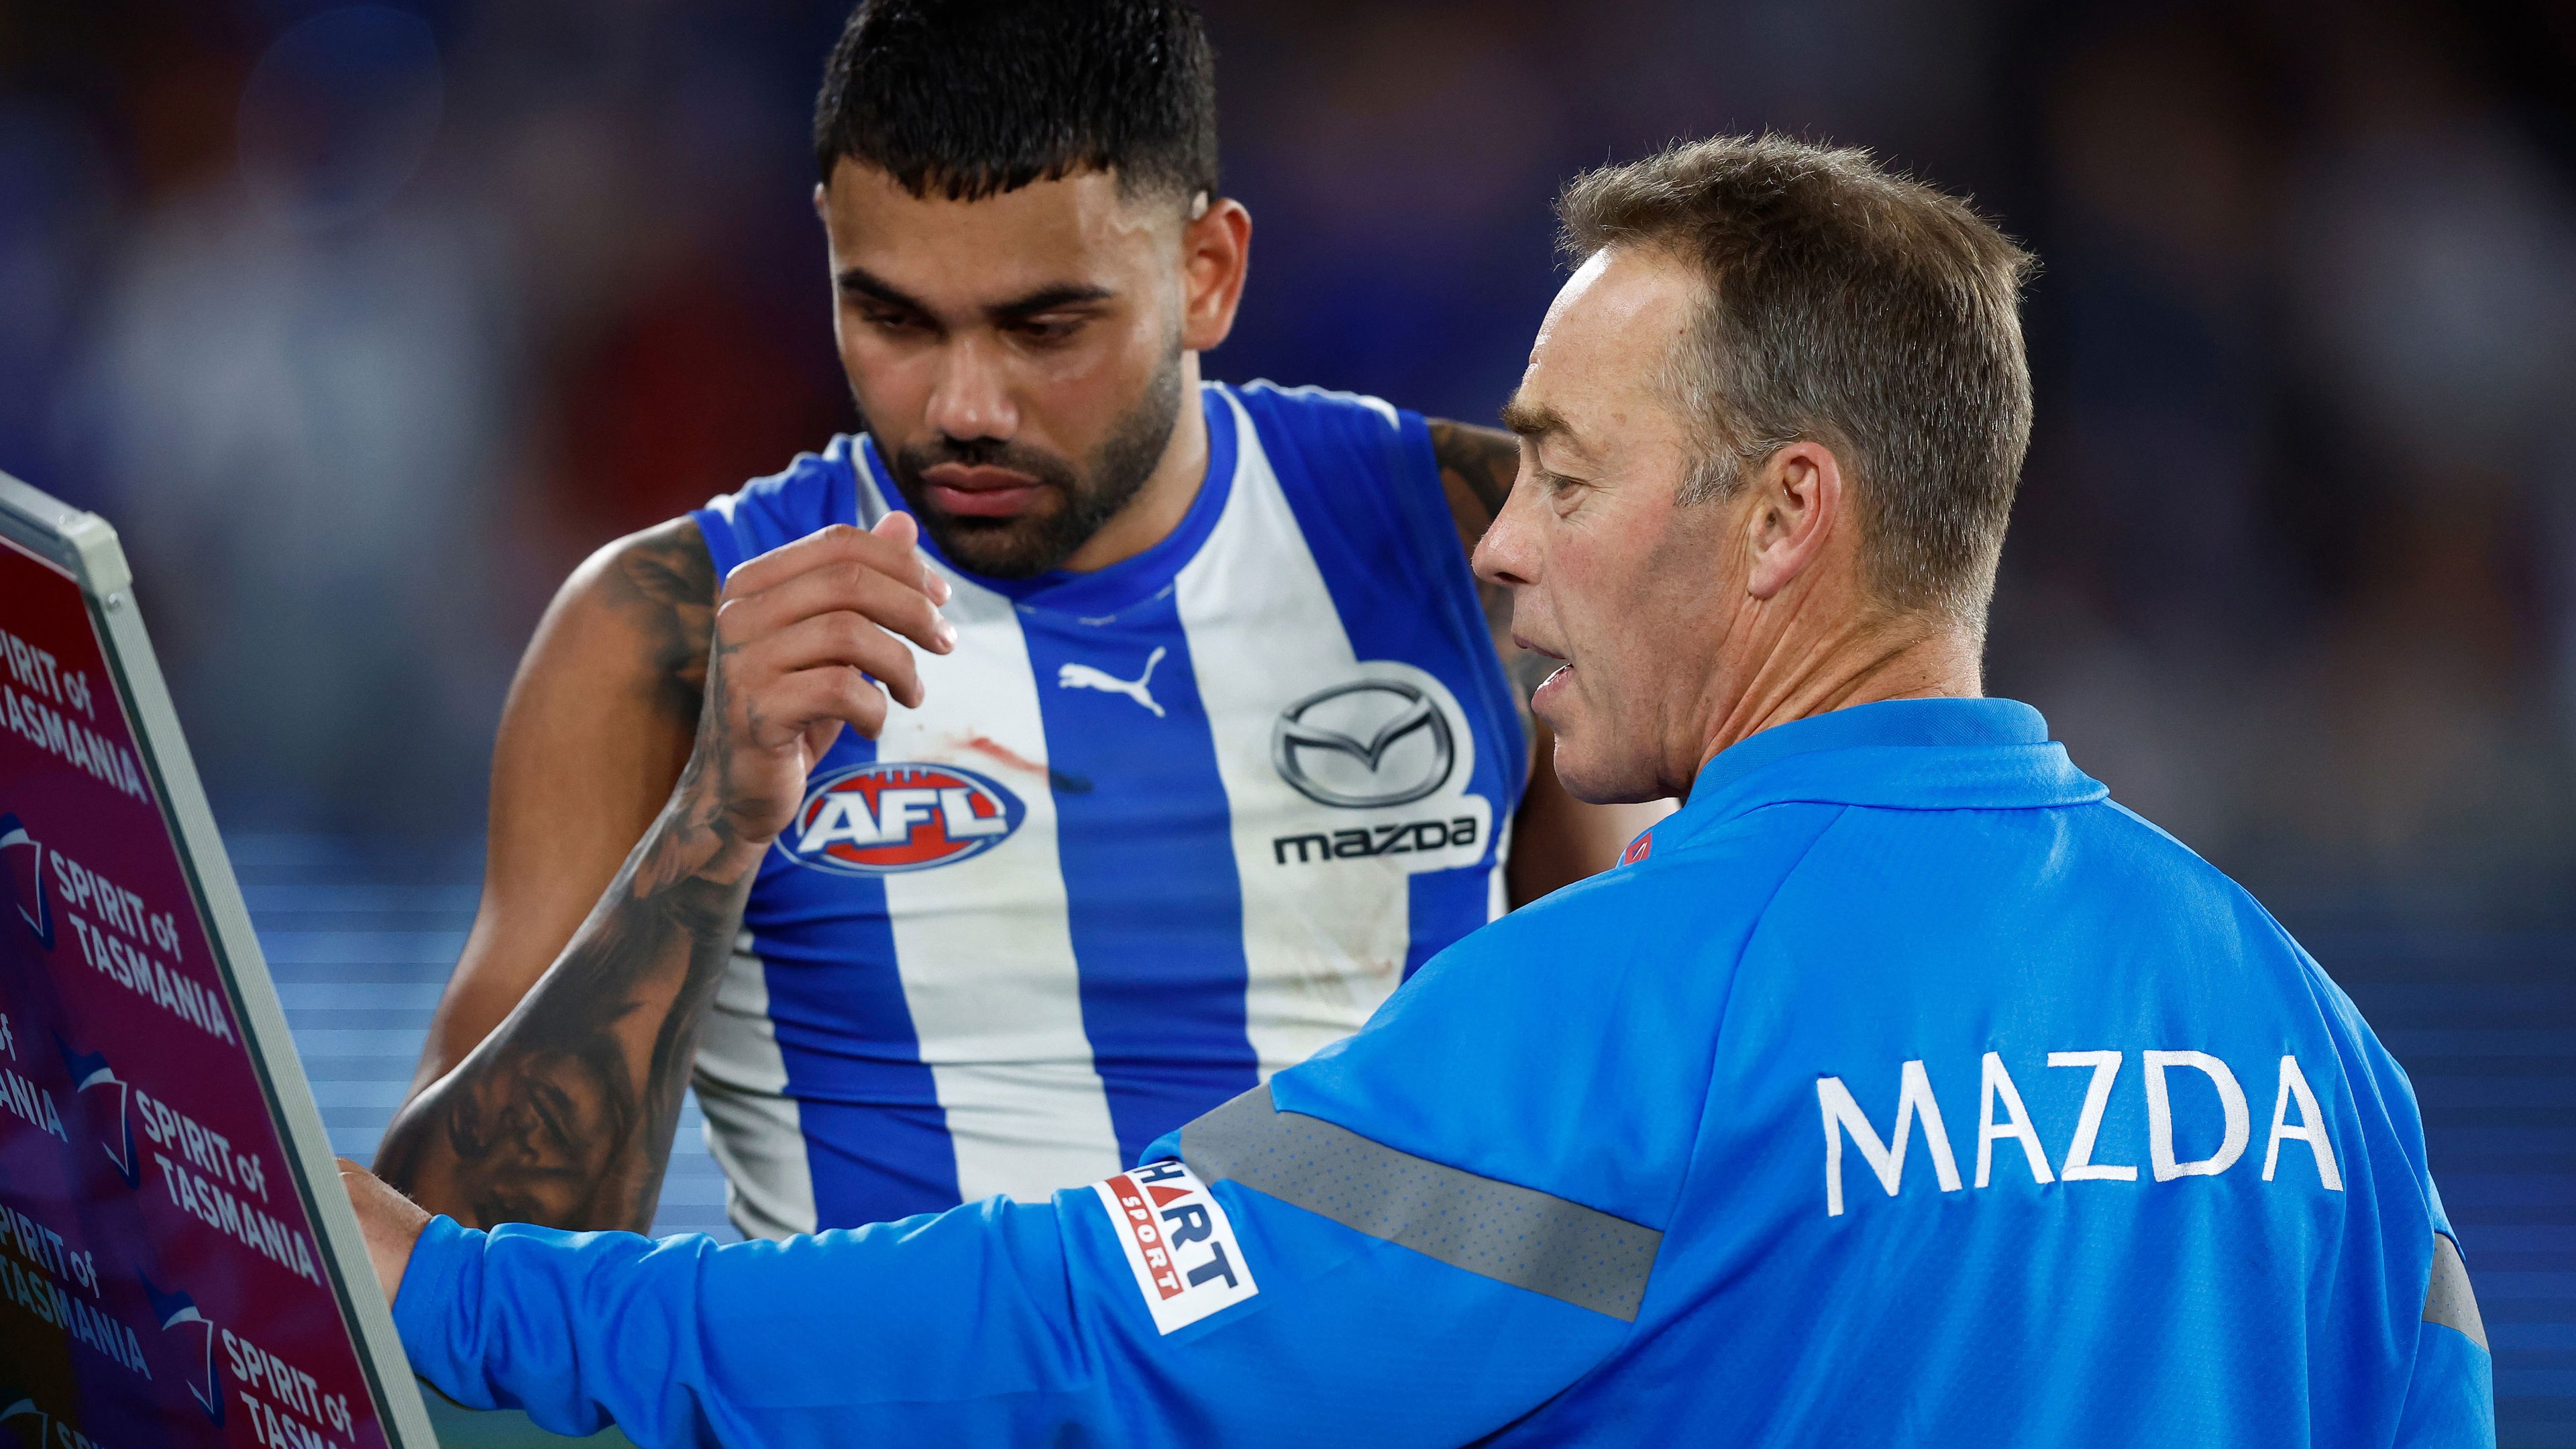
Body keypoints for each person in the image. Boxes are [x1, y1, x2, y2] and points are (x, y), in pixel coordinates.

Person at [342, 134, 2494, 1447]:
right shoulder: (2302, 1038)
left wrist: (461, 1289)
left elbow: (1084, 1340)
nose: (1499, 539)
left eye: (1567, 469)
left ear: (1782, 521)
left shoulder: (1619, 1019)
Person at [371, 0, 1650, 1239]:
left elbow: (1623, 1137)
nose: (964, 404)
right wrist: (714, 822)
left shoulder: (1482, 550)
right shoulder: (664, 630)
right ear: (827, 247)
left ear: (1207, 272)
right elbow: (451, 1272)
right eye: (893, 318)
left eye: (1045, 326)